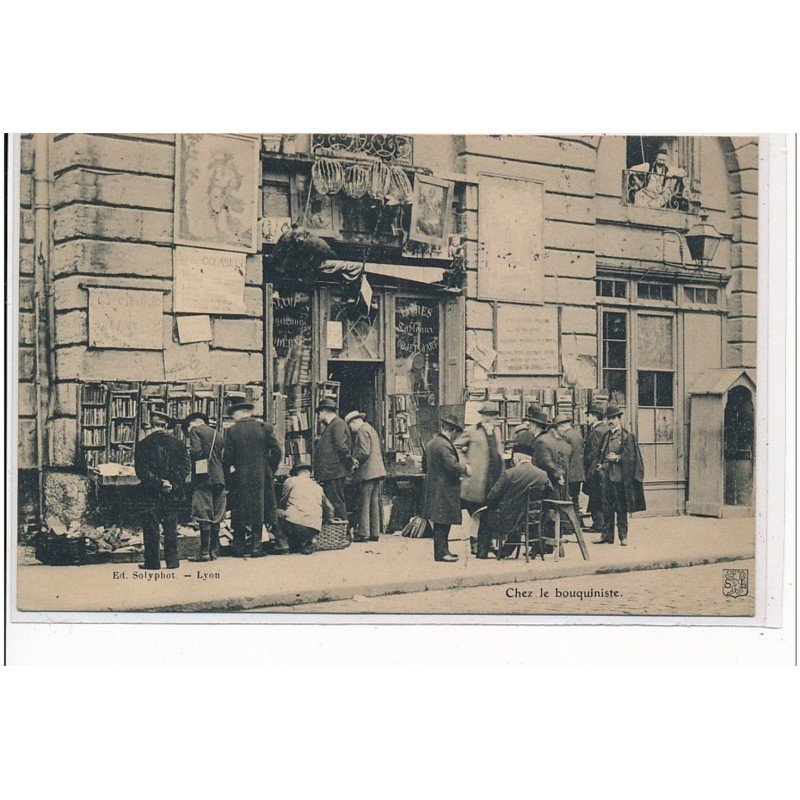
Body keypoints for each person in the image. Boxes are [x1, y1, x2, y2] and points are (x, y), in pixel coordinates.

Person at [222, 401, 282, 558]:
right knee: (260, 509)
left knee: (239, 510)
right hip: (262, 476)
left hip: (240, 477)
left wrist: (228, 475)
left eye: (233, 415)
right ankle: (257, 548)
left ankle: (239, 548)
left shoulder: (232, 430)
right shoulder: (265, 427)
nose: (233, 418)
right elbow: (277, 451)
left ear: (239, 413)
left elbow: (227, 457)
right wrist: (269, 469)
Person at [134, 410, 191, 571]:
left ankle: (152, 563)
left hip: (150, 492)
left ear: (150, 426)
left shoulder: (142, 445)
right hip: (173, 492)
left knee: (151, 527)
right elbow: (186, 468)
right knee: (171, 526)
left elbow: (142, 472)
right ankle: (172, 561)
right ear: (165, 426)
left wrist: (159, 483)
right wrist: (173, 483)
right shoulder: (178, 444)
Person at [477, 443, 551, 559]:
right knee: (518, 519)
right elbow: (549, 492)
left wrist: (493, 506)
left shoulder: (509, 473)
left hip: (508, 518)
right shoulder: (542, 474)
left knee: (485, 517)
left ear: (517, 458)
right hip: (532, 518)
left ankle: (482, 552)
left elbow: (492, 496)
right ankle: (505, 550)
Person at [455, 401, 505, 554]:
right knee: (477, 512)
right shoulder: (471, 431)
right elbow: (456, 447)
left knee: (490, 511)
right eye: (486, 415)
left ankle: (487, 543)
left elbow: (499, 451)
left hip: (494, 477)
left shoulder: (497, 431)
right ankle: (475, 543)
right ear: (482, 416)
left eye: (492, 415)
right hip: (477, 479)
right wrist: (465, 463)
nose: (489, 418)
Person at [594, 403, 646, 546]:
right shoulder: (606, 435)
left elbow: (631, 457)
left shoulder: (627, 436)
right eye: (608, 418)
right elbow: (601, 454)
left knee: (621, 507)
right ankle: (607, 536)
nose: (610, 421)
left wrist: (618, 458)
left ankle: (623, 536)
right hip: (606, 477)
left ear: (619, 419)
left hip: (619, 478)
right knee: (606, 507)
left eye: (613, 418)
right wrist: (600, 465)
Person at [421, 414, 470, 563]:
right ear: (453, 431)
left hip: (435, 487)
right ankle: (441, 553)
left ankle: (444, 550)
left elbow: (424, 465)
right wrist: (465, 468)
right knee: (443, 521)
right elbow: (453, 467)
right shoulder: (444, 445)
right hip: (444, 489)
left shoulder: (432, 442)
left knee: (440, 521)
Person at [182, 412, 226, 562]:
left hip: (203, 478)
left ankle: (204, 553)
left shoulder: (195, 430)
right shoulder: (217, 433)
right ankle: (214, 552)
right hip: (219, 478)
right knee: (216, 515)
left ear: (191, 424)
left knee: (203, 514)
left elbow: (196, 452)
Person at [274, 463, 335, 555]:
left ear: (295, 473)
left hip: (294, 524)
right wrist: (323, 522)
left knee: (275, 512)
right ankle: (304, 543)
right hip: (314, 528)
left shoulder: (290, 481)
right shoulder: (318, 487)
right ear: (309, 473)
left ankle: (283, 544)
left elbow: (283, 501)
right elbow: (329, 509)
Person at [345, 410, 386, 542]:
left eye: (350, 426)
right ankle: (374, 532)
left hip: (367, 472)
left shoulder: (362, 431)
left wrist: (354, 461)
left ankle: (363, 533)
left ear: (355, 422)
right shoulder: (371, 429)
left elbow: (364, 451)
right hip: (377, 471)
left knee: (364, 503)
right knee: (374, 502)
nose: (351, 430)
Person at [314, 397, 354, 520]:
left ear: (325, 411)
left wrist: (349, 463)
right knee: (334, 502)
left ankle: (343, 529)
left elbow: (341, 446)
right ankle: (339, 528)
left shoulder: (337, 424)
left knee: (336, 502)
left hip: (334, 472)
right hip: (331, 472)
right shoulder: (333, 425)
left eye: (319, 412)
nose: (319, 416)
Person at [583, 405, 610, 532]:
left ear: (595, 416)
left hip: (594, 469)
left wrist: (586, 464)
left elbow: (593, 453)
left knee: (595, 497)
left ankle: (598, 524)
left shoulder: (596, 431)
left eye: (588, 416)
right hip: (603, 469)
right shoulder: (606, 429)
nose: (587, 419)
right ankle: (602, 524)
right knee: (602, 496)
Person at [554, 414, 585, 516]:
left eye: (558, 428)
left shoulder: (566, 437)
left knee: (568, 500)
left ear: (562, 426)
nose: (558, 431)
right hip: (578, 473)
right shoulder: (577, 434)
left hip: (569, 473)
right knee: (575, 500)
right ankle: (577, 521)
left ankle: (571, 522)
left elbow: (564, 457)